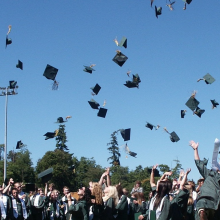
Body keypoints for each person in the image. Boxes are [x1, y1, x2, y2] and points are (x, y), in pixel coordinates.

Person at [189, 140, 220, 220]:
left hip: (215, 204)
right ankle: (202, 212)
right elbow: (199, 164)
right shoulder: (210, 173)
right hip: (205, 202)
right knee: (201, 206)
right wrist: (195, 150)